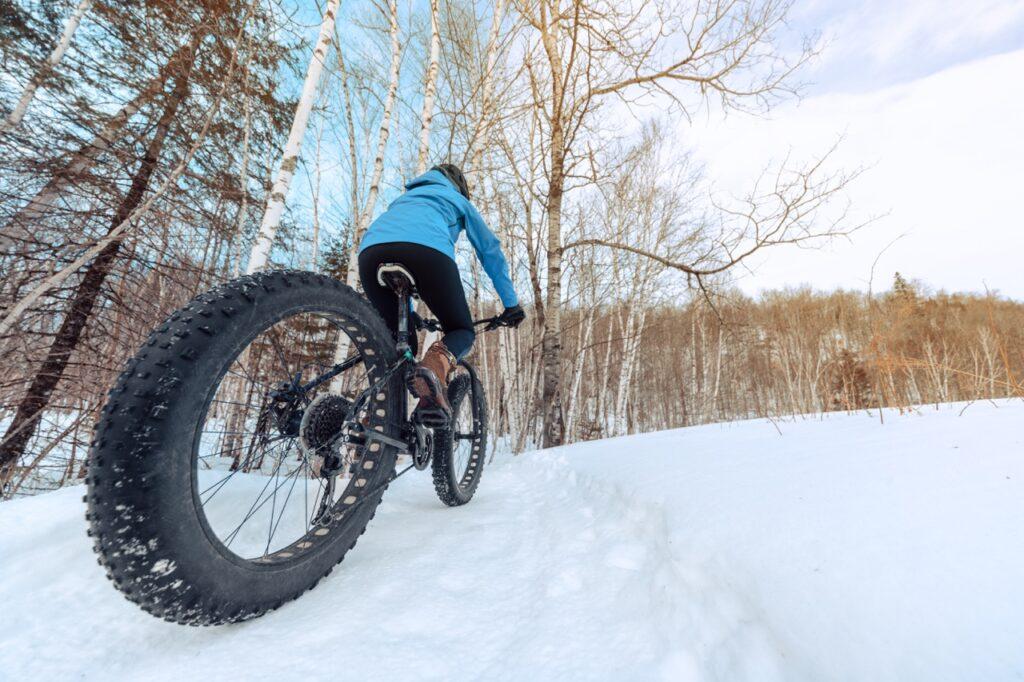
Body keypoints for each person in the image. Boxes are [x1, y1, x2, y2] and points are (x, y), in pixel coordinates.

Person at [358, 163, 524, 419]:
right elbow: (490, 250)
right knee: (461, 330)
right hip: (427, 252)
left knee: (400, 347)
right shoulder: (457, 199)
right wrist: (511, 304)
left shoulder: (404, 199)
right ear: (458, 186)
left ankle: (375, 424)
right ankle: (433, 370)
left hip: (370, 252)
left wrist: (409, 312)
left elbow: (398, 250)